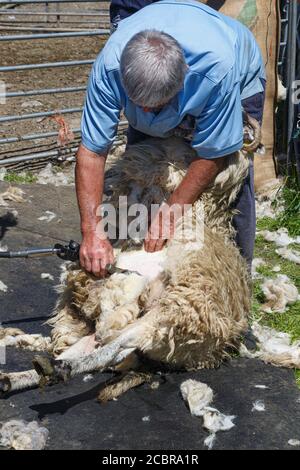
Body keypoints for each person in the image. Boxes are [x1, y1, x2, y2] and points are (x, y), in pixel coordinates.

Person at [76, 0, 266, 278]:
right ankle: (131, 264)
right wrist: (91, 232)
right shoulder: (109, 67)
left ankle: (232, 285)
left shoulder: (216, 72)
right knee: (140, 172)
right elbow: (92, 153)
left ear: (180, 85)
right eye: (136, 104)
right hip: (157, 75)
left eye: (154, 107)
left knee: (230, 181)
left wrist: (172, 212)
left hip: (234, 72)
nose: (144, 113)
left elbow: (213, 153)